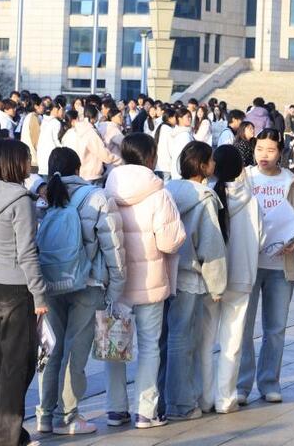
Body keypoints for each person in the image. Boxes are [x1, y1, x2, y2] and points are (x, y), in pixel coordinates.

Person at [35, 147, 126, 436]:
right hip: (87, 283)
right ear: (79, 168)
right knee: (75, 350)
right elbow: (113, 247)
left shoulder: (44, 198)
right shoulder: (96, 197)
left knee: (50, 349)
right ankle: (67, 417)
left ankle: (44, 415)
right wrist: (116, 286)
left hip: (50, 281)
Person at [105, 133, 186, 430]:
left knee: (115, 348)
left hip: (116, 284)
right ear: (151, 158)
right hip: (151, 283)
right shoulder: (159, 193)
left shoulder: (108, 188)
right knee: (150, 346)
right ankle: (146, 412)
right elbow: (169, 241)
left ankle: (116, 409)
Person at [0, 139, 48, 446]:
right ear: (13, 163)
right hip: (19, 288)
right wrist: (40, 296)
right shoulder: (21, 201)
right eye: (26, 159)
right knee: (17, 364)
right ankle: (8, 437)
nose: (29, 164)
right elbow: (27, 253)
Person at [238, 129, 294, 405]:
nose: (264, 155)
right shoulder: (245, 177)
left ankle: (269, 382)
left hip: (281, 265)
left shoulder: (290, 181)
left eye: (270, 150)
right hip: (249, 263)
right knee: (243, 328)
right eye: (259, 149)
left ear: (280, 152)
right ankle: (241, 384)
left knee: (276, 327)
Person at [163, 142, 227, 421]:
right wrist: (217, 284)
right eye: (210, 160)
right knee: (183, 339)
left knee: (166, 339)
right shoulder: (205, 198)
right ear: (202, 166)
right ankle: (181, 403)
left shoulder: (169, 190)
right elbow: (211, 245)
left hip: (165, 272)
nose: (214, 164)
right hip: (189, 275)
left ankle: (164, 400)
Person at [198, 145, 259, 414]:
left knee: (205, 340)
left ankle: (205, 398)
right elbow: (261, 237)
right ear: (241, 168)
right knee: (232, 341)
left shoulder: (209, 197)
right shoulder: (251, 199)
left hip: (212, 278)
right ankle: (226, 399)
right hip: (242, 276)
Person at [61, 106, 121, 184]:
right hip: (91, 175)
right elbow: (103, 154)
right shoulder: (89, 131)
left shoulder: (70, 133)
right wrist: (119, 160)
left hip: (76, 174)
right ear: (94, 118)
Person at [36, 100, 65, 181]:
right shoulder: (56, 123)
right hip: (51, 158)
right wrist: (63, 149)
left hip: (42, 157)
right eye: (62, 110)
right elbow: (55, 140)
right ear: (55, 109)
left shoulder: (44, 120)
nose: (63, 113)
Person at [168, 109, 196, 180]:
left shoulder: (176, 132)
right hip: (183, 171)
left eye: (190, 117)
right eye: (188, 117)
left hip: (176, 170)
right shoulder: (184, 135)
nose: (190, 119)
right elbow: (187, 155)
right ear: (180, 119)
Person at [20, 96, 44, 170]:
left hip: (27, 156)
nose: (43, 107)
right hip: (33, 159)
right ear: (36, 106)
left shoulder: (29, 116)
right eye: (42, 105)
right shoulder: (33, 117)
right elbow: (36, 140)